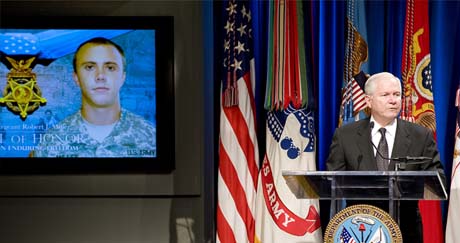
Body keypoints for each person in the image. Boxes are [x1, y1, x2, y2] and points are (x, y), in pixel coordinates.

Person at [326, 72, 445, 242]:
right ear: (368, 100)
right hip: (361, 230)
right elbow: (332, 181)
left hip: (406, 231)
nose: (393, 100)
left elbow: (437, 179)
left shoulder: (420, 135)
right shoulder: (345, 135)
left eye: (396, 94)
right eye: (385, 95)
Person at [33, 37, 156, 157]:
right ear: (76, 77)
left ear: (123, 77)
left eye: (110, 68)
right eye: (90, 67)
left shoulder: (151, 137)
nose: (101, 76)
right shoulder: (51, 142)